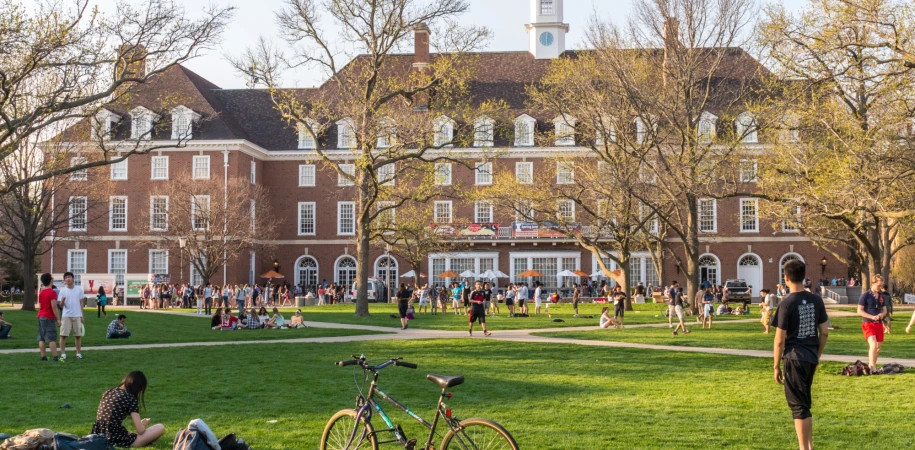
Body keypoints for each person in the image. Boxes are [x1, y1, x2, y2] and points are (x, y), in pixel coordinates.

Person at [772, 259, 829, 450]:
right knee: (803, 403)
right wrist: (817, 355)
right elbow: (825, 332)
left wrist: (775, 366)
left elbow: (780, 339)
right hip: (810, 357)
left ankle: (804, 448)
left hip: (794, 358)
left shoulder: (786, 303)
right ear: (804, 277)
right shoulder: (816, 300)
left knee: (798, 406)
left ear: (786, 278)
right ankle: (809, 446)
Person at [92, 371, 165, 448]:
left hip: (98, 435)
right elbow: (140, 431)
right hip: (115, 438)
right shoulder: (130, 398)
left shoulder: (109, 391)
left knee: (129, 432)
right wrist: (143, 424)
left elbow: (110, 420)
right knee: (160, 427)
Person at [857, 275, 888, 372]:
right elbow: (859, 310)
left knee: (878, 347)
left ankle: (873, 365)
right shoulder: (865, 295)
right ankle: (872, 367)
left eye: (881, 286)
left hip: (878, 323)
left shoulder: (881, 296)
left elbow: (885, 310)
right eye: (878, 285)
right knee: (873, 345)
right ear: (873, 283)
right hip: (868, 323)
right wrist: (871, 317)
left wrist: (882, 315)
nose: (880, 287)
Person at [58, 272, 86, 360]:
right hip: (66, 315)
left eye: (69, 277)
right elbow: (61, 306)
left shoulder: (79, 290)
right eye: (66, 278)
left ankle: (78, 353)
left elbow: (81, 303)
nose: (68, 279)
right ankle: (63, 354)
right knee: (63, 335)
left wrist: (82, 316)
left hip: (77, 315)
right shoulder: (62, 291)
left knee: (78, 335)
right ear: (64, 280)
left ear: (73, 278)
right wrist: (62, 302)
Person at [37, 273, 61, 361]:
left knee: (41, 337)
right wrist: (58, 319)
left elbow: (41, 304)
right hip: (48, 317)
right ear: (50, 280)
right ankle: (55, 357)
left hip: (40, 316)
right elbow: (54, 307)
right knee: (52, 338)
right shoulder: (52, 292)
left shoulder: (42, 292)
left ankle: (43, 356)